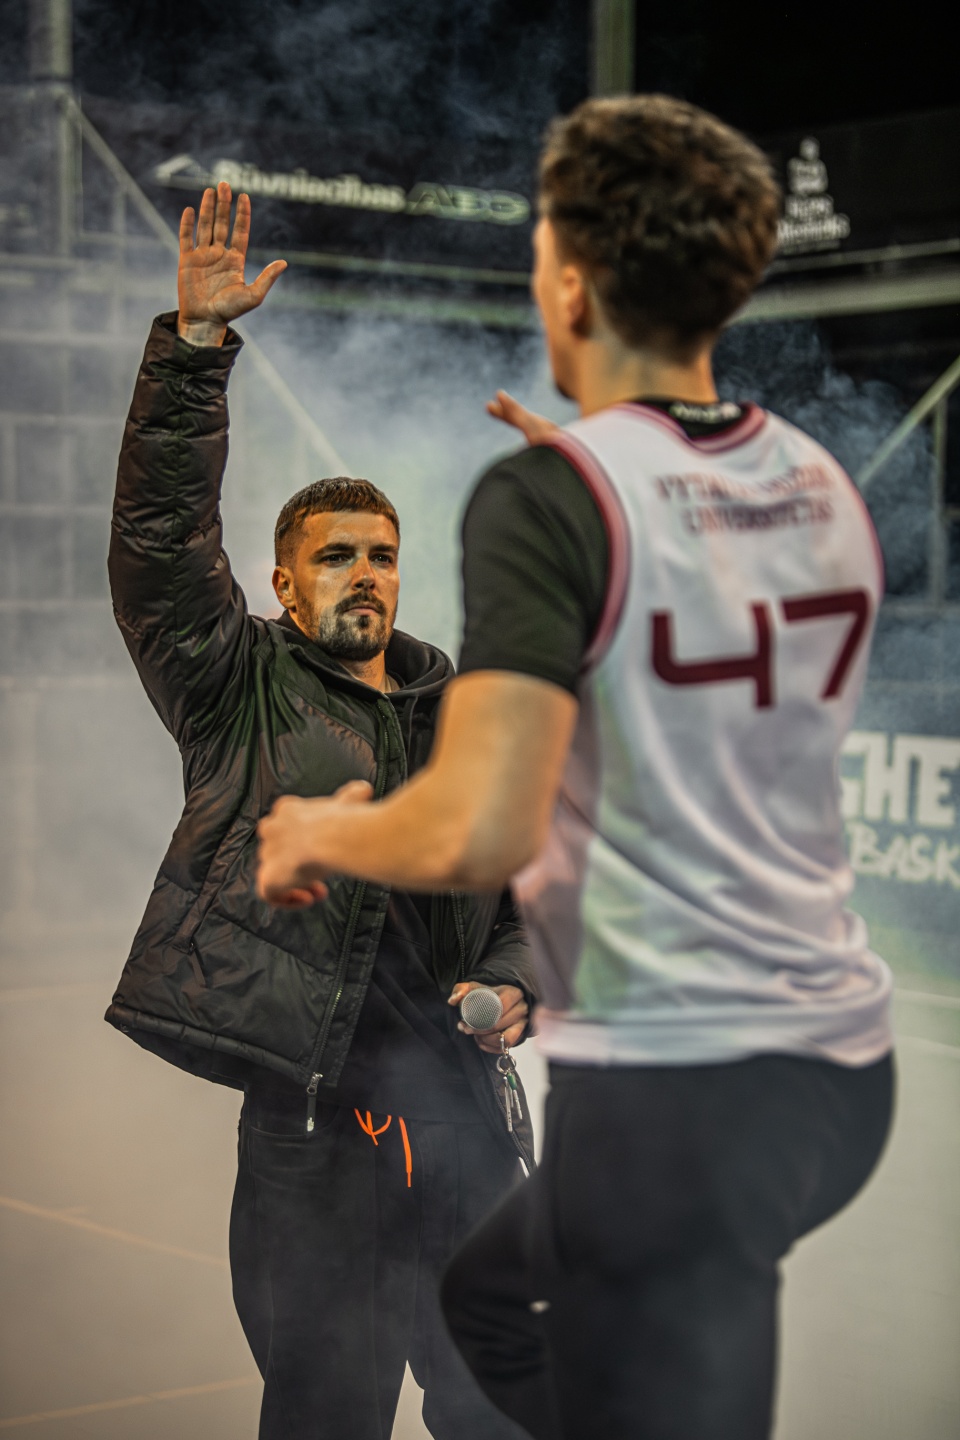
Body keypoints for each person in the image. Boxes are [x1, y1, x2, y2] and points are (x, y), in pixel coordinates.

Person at [255, 95, 895, 1440]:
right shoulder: (814, 480)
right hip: (834, 1064)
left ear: (570, 280)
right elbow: (701, 653)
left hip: (681, 1070)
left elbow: (480, 830)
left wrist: (319, 836)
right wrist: (613, 511)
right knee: (496, 1315)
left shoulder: (548, 500)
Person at [105, 181, 536, 1440]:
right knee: (326, 1416)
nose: (366, 575)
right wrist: (194, 349)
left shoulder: (466, 716)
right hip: (317, 1142)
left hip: (469, 1135)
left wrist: (515, 985)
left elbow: (521, 905)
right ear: (287, 587)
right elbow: (156, 541)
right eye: (336, 556)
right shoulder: (234, 683)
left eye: (382, 555)